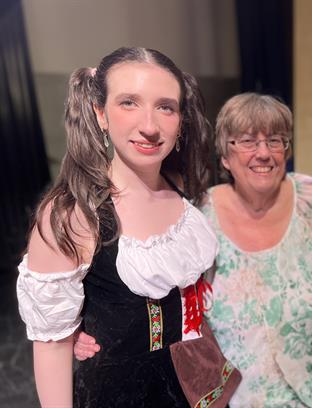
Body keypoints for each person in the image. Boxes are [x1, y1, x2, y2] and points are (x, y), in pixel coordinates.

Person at [76, 92, 312, 407]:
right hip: (238, 398)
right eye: (247, 141)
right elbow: (153, 293)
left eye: (275, 140)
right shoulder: (197, 216)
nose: (263, 153)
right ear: (225, 157)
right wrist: (78, 329)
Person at [16, 47, 223, 407]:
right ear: (100, 113)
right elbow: (51, 348)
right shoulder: (73, 216)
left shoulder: (181, 187)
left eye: (166, 107)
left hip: (193, 389)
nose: (150, 126)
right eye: (129, 103)